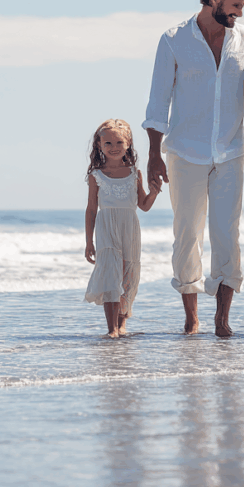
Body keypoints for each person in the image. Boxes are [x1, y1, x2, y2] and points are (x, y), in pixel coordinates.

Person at [143, 0, 244, 337]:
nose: (240, 12)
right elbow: (158, 101)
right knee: (187, 234)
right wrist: (154, 155)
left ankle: (222, 319)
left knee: (227, 234)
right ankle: (192, 318)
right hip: (184, 152)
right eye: (236, 4)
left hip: (231, 151)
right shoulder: (174, 39)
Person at [84, 119, 161, 338]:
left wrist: (154, 193)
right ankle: (112, 329)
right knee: (110, 274)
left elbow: (143, 205)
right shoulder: (96, 175)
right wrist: (89, 242)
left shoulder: (134, 173)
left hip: (130, 228)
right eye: (108, 143)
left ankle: (122, 324)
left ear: (128, 144)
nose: (114, 147)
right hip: (106, 228)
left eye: (119, 142)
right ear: (99, 145)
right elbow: (91, 209)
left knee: (129, 275)